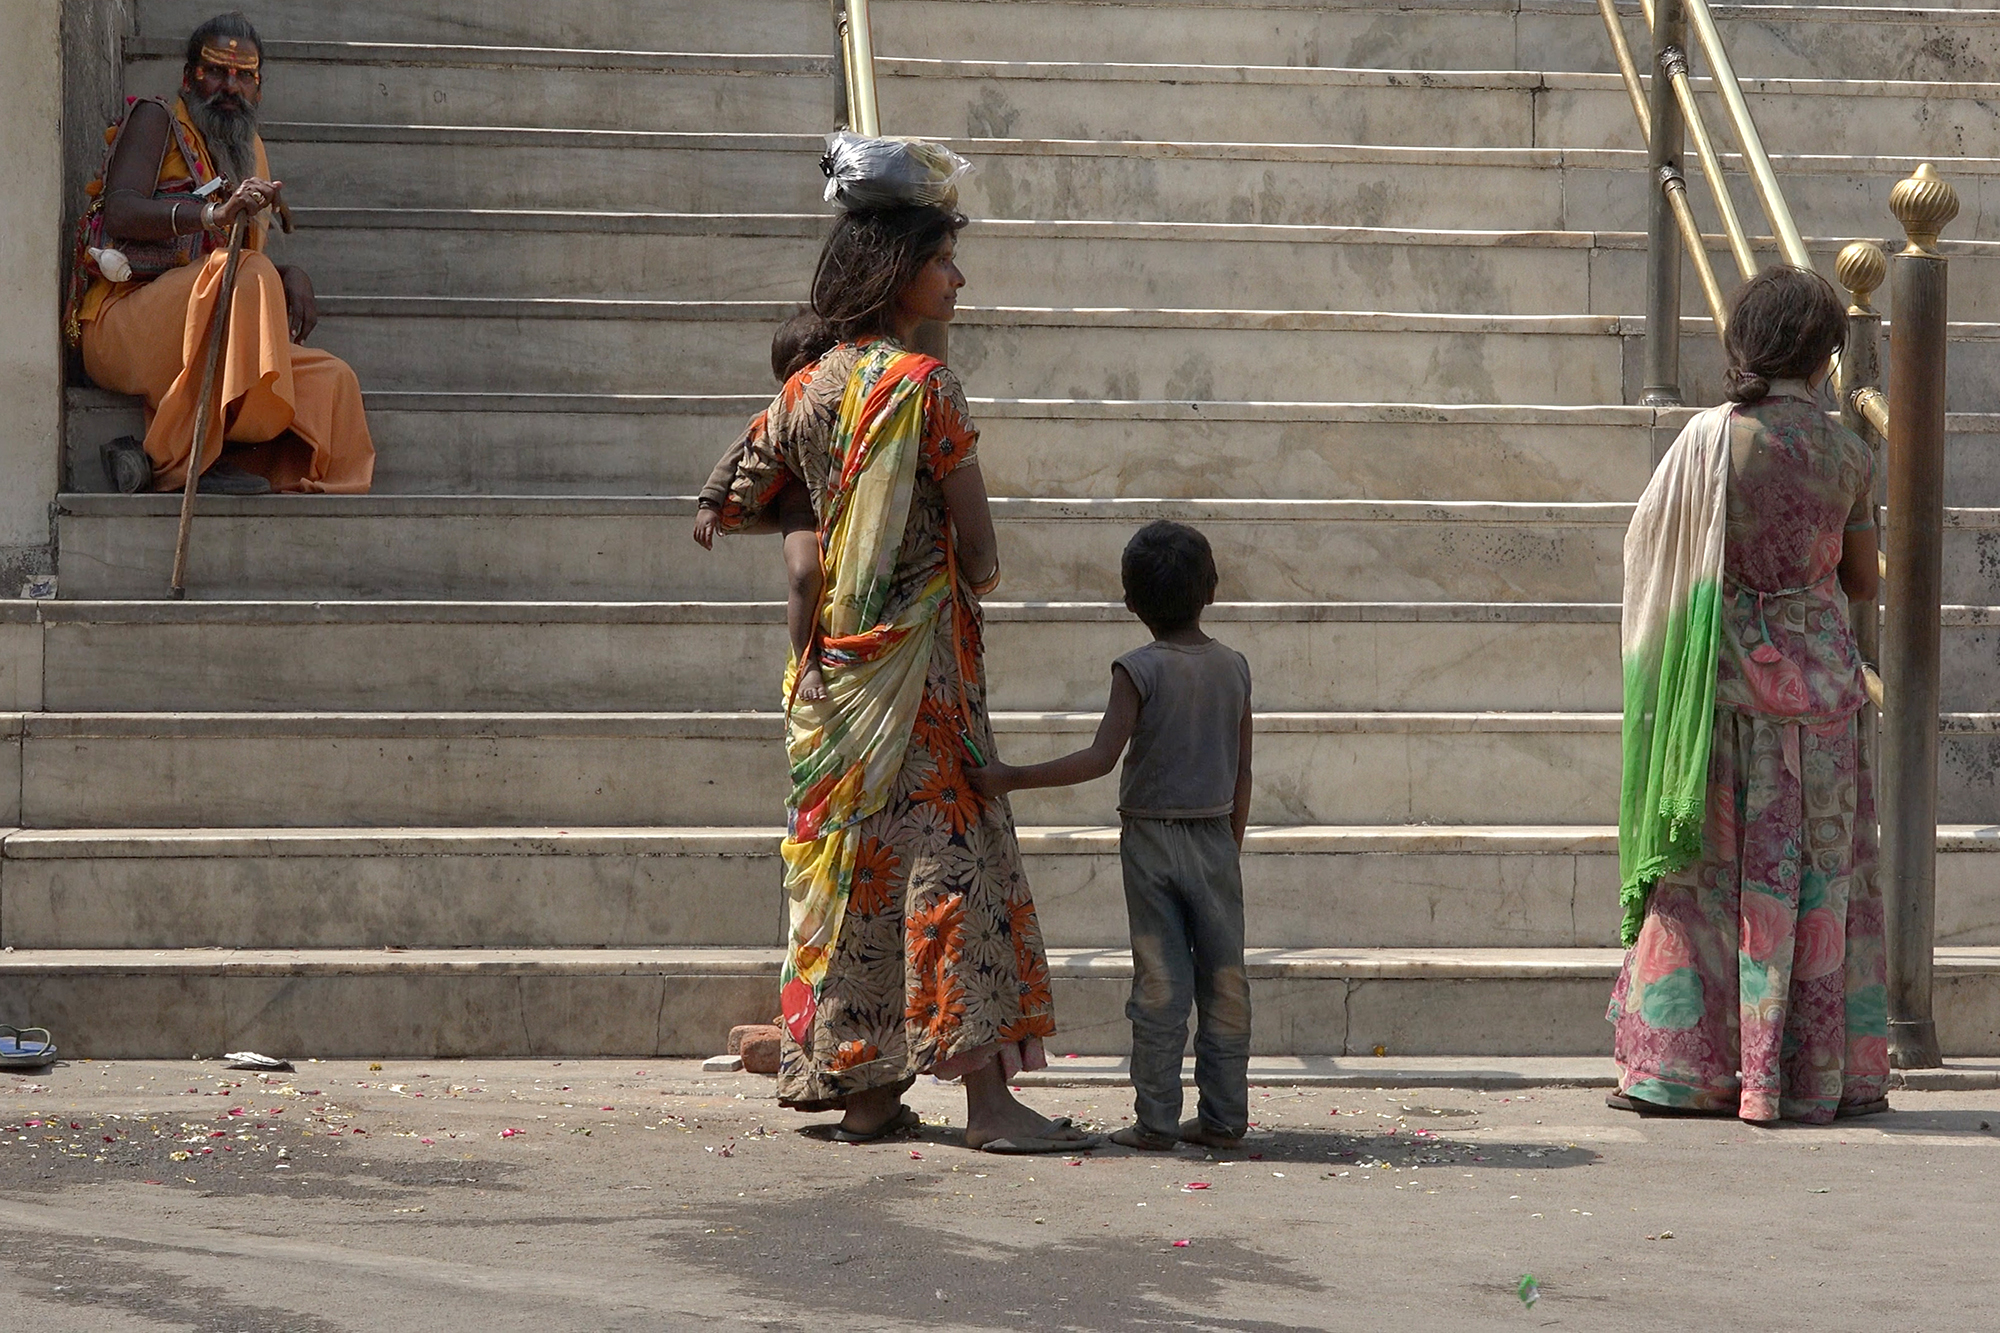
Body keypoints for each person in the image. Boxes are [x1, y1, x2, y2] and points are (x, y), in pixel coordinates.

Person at [770, 203, 1089, 1154]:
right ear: (896, 270)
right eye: (944, 260)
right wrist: (965, 568)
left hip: (839, 680)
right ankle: (988, 1101)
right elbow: (980, 549)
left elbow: (753, 494)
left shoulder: (803, 391)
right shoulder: (924, 386)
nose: (959, 279)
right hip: (924, 679)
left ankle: (866, 1095)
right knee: (952, 862)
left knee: (860, 872)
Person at [1609, 265, 1887, 1125]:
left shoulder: (1711, 442)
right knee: (1817, 884)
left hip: (1725, 688)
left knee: (1708, 879)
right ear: (1824, 354)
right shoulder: (1849, 454)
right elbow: (1863, 580)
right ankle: (1810, 1076)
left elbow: (1652, 546)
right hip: (1825, 700)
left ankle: (1684, 1072)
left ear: (1747, 341)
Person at [970, 521, 1255, 1152]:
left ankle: (1156, 1119)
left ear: (1130, 601)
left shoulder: (1137, 669)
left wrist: (1009, 777)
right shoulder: (1234, 667)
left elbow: (1100, 758)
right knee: (1224, 980)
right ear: (1211, 589)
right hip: (1215, 839)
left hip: (1151, 842)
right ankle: (1223, 1117)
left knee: (1160, 982)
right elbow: (1243, 773)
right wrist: (1227, 848)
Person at [67, 11, 374, 495]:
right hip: (122, 323)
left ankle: (239, 459)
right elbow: (122, 211)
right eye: (215, 71)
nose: (230, 87)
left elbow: (223, 266)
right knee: (250, 272)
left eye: (244, 76)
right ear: (188, 77)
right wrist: (212, 214)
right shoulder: (156, 119)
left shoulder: (249, 149)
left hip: (203, 327)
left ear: (259, 88)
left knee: (332, 381)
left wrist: (287, 272)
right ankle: (185, 459)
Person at [693, 310, 843, 702]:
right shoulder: (777, 415)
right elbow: (734, 457)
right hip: (801, 515)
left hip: (845, 510)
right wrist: (709, 502)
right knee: (804, 574)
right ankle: (807, 662)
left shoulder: (848, 405)